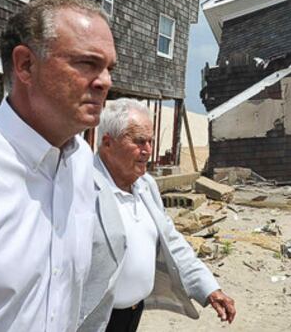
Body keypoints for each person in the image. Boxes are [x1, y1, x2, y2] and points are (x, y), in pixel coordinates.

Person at [0, 0, 117, 331]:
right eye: (87, 63)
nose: (105, 82)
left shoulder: (82, 163)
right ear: (26, 65)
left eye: (109, 68)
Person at [78, 98, 236, 332]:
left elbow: (171, 240)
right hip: (92, 322)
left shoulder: (146, 186)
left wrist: (208, 287)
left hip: (132, 315)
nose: (148, 151)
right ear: (107, 143)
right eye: (139, 141)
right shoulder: (82, 190)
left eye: (150, 142)